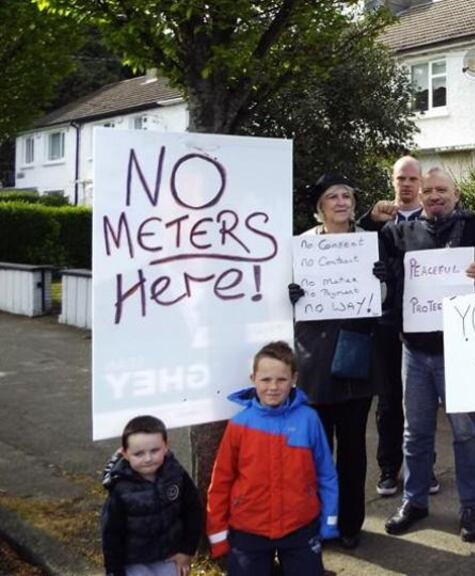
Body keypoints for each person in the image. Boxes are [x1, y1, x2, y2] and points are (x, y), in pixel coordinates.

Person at [378, 167, 475, 542]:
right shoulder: (401, 232)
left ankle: (472, 506)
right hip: (414, 349)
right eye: (428, 190)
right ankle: (414, 502)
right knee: (415, 433)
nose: (434, 195)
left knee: (467, 433)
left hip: (458, 351)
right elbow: (375, 262)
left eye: (441, 189)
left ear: (456, 193)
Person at [289, 174, 376, 550]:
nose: (341, 201)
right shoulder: (302, 247)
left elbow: (385, 299)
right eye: (332, 197)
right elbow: (284, 301)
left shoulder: (372, 242)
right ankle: (320, 523)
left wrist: (382, 280)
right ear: (319, 207)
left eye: (347, 195)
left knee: (354, 450)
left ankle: (351, 524)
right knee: (317, 451)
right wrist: (289, 294)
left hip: (355, 356)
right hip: (314, 359)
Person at [206, 341, 339, 575]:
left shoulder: (309, 419)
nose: (273, 387)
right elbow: (221, 482)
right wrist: (217, 535)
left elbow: (326, 474)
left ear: (294, 378)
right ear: (253, 379)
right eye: (266, 380)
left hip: (300, 526)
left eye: (281, 379)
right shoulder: (239, 425)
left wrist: (329, 520)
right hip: (248, 528)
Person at [357, 156, 440, 498]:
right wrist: (368, 221)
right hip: (388, 321)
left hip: (424, 321)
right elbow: (350, 248)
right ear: (392, 181)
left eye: (412, 179)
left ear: (420, 183)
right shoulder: (378, 221)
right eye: (400, 178)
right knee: (389, 398)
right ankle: (389, 468)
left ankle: (424, 467)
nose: (406, 184)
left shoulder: (435, 218)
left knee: (423, 402)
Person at [101, 415, 202, 576]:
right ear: (125, 454)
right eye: (138, 454)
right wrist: (114, 571)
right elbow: (111, 535)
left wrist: (186, 550)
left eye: (154, 451)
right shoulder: (120, 489)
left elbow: (193, 511)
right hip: (134, 561)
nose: (148, 459)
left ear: (166, 447)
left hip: (170, 555)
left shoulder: (176, 474)